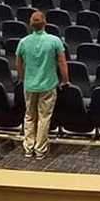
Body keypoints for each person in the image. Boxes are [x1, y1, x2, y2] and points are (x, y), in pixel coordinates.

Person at [15, 11, 69, 160]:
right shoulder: (55, 41)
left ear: (31, 24)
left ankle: (28, 147)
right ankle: (40, 149)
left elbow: (18, 62)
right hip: (47, 85)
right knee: (44, 118)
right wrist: (65, 80)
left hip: (29, 85)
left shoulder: (23, 42)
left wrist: (21, 77)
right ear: (45, 23)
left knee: (29, 116)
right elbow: (62, 62)